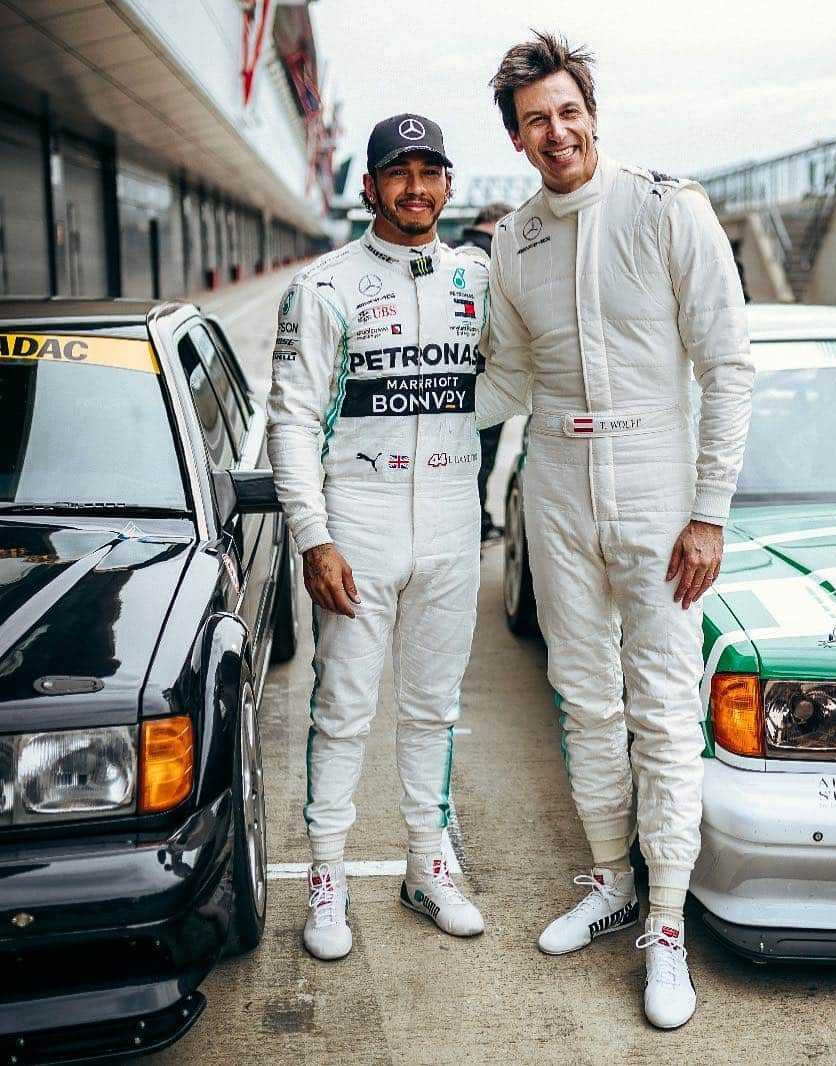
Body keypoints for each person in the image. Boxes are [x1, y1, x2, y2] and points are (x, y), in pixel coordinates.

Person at [477, 33, 753, 1028]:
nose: (557, 133)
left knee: (665, 710)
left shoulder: (666, 205)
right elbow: (504, 377)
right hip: (553, 475)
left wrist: (708, 511)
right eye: (535, 120)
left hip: (655, 476)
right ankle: (610, 880)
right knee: (581, 691)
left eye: (568, 110)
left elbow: (726, 363)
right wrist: (404, 397)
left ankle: (666, 923)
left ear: (592, 110)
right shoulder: (513, 240)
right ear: (517, 137)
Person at [267, 113, 489, 960]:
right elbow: (290, 420)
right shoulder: (323, 285)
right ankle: (327, 875)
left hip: (450, 517)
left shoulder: (476, 277)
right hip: (357, 516)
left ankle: (427, 866)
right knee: (344, 707)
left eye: (431, 170)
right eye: (400, 172)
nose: (416, 187)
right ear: (369, 187)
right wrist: (313, 536)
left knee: (435, 708)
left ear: (448, 183)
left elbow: (504, 376)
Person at [458, 202, 514, 543]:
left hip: (449, 378)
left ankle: (474, 523)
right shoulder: (499, 255)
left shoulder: (453, 250)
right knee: (481, 460)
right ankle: (476, 528)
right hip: (486, 374)